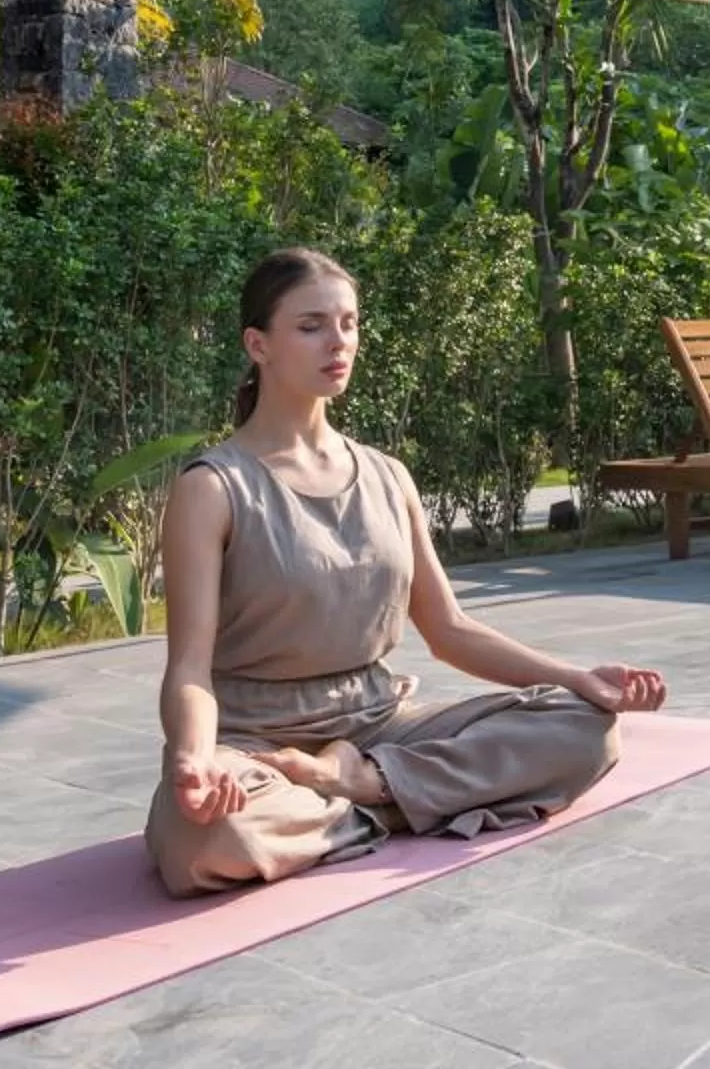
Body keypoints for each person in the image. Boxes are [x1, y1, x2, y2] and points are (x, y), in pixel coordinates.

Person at [147, 247, 666, 896]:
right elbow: (190, 671)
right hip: (256, 742)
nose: (337, 342)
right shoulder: (214, 487)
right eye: (310, 326)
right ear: (259, 344)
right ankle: (393, 798)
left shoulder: (389, 476)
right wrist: (194, 760)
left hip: (377, 726)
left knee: (582, 727)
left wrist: (578, 677)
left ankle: (361, 788)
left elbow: (449, 629)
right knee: (215, 837)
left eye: (349, 323)